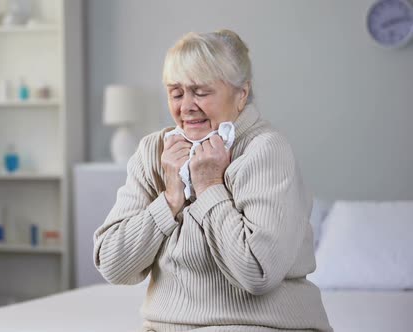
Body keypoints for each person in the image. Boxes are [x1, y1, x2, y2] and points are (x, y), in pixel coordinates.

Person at [93, 30, 332, 332]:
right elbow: (113, 266)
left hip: (258, 326)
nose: (186, 106)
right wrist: (169, 201)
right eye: (176, 93)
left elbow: (257, 272)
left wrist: (209, 187)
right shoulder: (152, 151)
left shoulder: (266, 150)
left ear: (241, 93)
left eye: (201, 92)